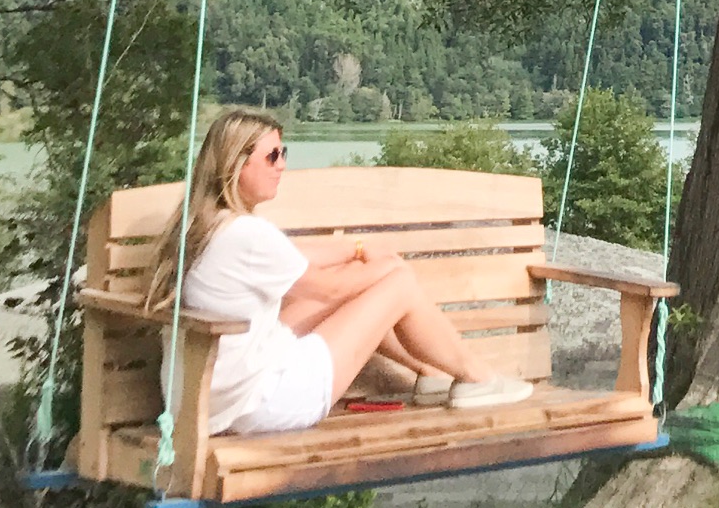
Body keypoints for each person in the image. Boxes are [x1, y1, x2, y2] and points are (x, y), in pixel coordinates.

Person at [143, 108, 531, 438]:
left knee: (369, 283)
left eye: (284, 152)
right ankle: (477, 377)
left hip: (211, 398)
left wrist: (358, 250)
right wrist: (389, 269)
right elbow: (328, 291)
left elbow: (296, 259)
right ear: (235, 165)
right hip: (263, 401)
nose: (282, 165)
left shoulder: (207, 225)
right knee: (396, 284)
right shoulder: (247, 233)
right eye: (272, 156)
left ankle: (428, 372)